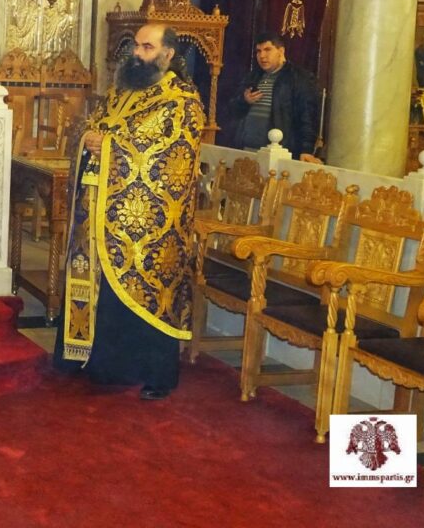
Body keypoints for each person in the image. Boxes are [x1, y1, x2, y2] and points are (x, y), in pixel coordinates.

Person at [54, 24, 204, 400]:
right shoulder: (123, 89)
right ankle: (95, 362)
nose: (137, 53)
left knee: (143, 290)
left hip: (147, 221)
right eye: (136, 45)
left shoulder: (182, 100)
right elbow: (95, 122)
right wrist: (88, 137)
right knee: (99, 285)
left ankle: (152, 373)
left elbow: (166, 152)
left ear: (168, 53)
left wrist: (108, 145)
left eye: (147, 47)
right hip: (98, 205)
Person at [226, 32, 322, 162]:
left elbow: (308, 115)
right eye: (258, 51)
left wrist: (306, 149)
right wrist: (244, 100)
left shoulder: (298, 78)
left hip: (278, 153)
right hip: (246, 151)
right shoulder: (253, 76)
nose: (262, 56)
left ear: (281, 51)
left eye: (267, 50)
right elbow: (232, 110)